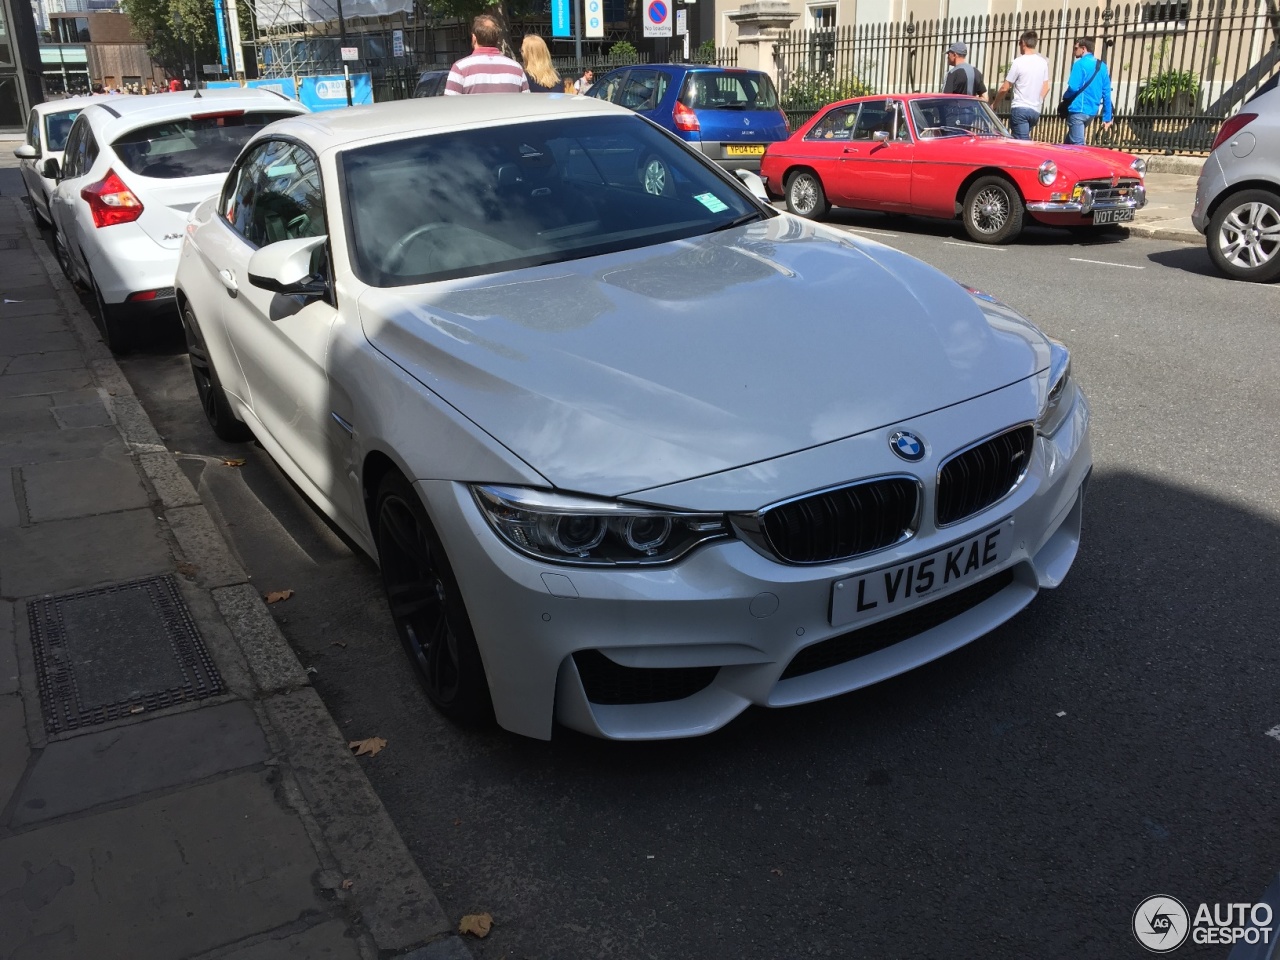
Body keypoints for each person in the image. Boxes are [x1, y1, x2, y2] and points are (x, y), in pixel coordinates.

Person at [444, 14, 529, 95]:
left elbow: (449, 106)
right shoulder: (516, 69)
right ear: (497, 38)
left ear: (474, 38)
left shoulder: (460, 68)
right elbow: (526, 104)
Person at [991, 30, 1050, 139]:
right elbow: (1046, 87)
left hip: (1020, 108)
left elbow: (1005, 87)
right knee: (1021, 139)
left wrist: (994, 104)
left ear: (1023, 43)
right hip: (1035, 110)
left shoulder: (1018, 62)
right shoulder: (1043, 63)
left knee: (1022, 143)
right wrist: (1038, 101)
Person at [1062, 37, 1113, 145]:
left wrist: (1065, 98)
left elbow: (1073, 88)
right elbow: (1107, 92)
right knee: (1067, 144)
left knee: (1078, 147)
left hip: (1078, 110)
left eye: (1076, 48)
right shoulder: (1102, 66)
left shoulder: (1079, 64)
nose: (1074, 51)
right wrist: (1107, 116)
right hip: (1091, 111)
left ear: (1083, 48)